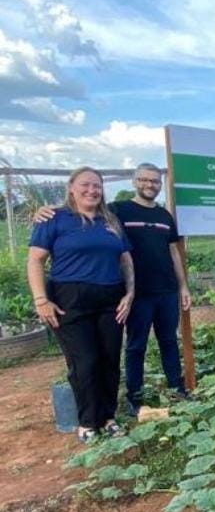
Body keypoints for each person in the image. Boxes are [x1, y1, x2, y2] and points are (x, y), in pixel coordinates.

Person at [34, 163, 190, 417]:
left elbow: (174, 251)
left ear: (160, 184)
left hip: (166, 291)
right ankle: (134, 396)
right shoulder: (117, 212)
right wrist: (43, 211)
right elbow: (85, 214)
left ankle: (176, 387)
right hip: (136, 294)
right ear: (134, 182)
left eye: (155, 181)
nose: (149, 185)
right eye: (144, 180)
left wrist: (183, 286)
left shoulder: (164, 216)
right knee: (135, 345)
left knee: (169, 341)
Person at [27, 167, 135, 442]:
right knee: (84, 361)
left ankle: (108, 417)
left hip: (110, 298)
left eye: (97, 185)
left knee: (110, 359)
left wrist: (129, 293)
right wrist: (41, 300)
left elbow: (125, 260)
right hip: (68, 300)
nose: (92, 190)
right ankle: (87, 422)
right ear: (72, 187)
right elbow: (35, 260)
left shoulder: (109, 221)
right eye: (85, 185)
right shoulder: (54, 218)